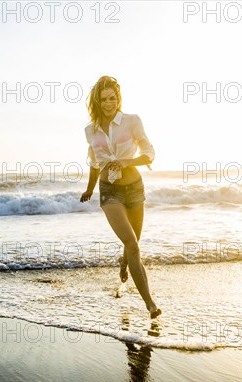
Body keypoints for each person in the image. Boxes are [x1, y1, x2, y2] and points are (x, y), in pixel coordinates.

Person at [79, 76, 161, 319]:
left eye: (112, 98)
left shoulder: (132, 121)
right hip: (110, 191)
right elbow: (95, 164)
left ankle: (124, 263)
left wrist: (127, 161)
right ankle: (150, 305)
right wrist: (90, 189)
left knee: (133, 243)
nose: (108, 103)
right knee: (133, 244)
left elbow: (149, 153)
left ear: (118, 99)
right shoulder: (89, 131)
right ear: (97, 101)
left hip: (134, 188)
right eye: (104, 99)